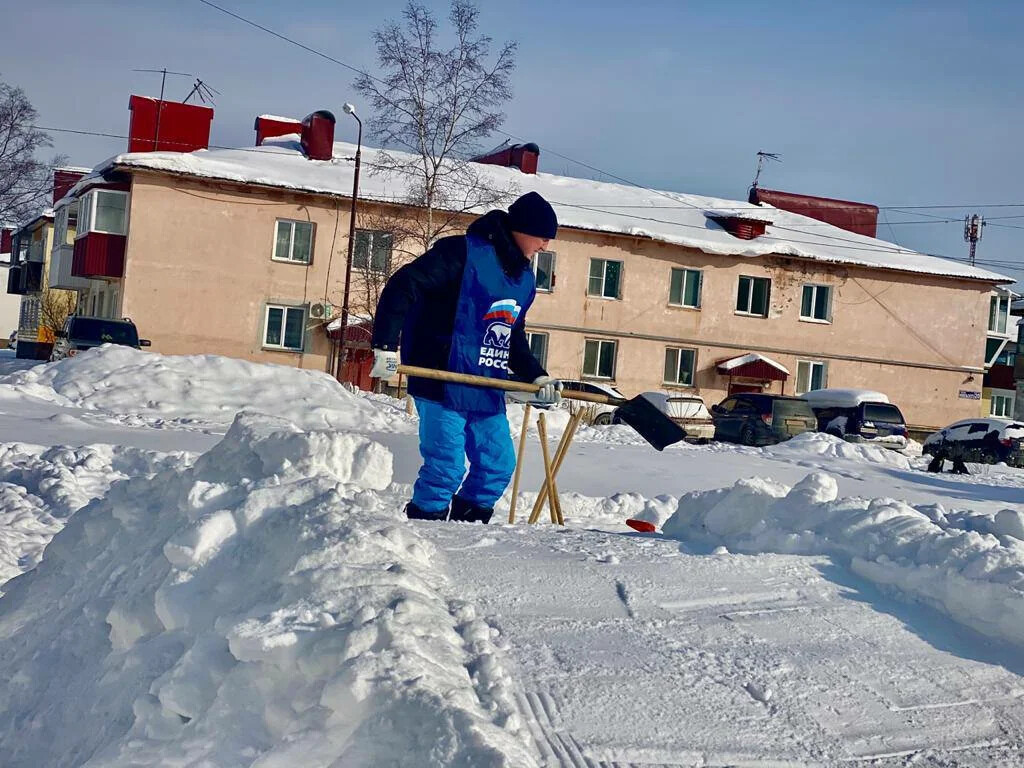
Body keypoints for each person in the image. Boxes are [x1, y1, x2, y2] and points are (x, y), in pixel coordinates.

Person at [370, 191, 562, 523]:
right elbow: (404, 285)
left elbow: (511, 332)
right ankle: (425, 531)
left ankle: (467, 536)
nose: (545, 246)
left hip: (485, 381)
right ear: (521, 229)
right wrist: (386, 345)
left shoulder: (524, 279)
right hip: (442, 376)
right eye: (542, 237)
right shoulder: (462, 252)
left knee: (497, 465)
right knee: (446, 466)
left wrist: (536, 376)